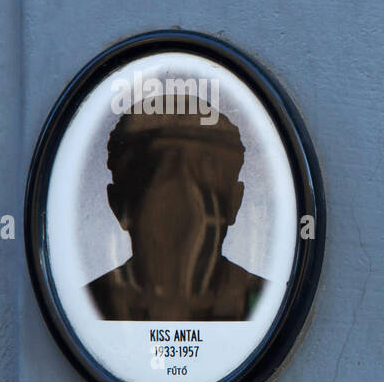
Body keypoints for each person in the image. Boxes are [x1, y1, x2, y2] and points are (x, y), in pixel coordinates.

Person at [86, 102, 266, 320]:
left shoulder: (86, 307)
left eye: (204, 166)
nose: (179, 190)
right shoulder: (267, 306)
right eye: (153, 166)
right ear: (117, 203)